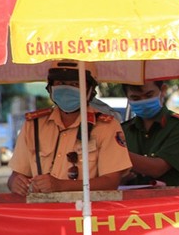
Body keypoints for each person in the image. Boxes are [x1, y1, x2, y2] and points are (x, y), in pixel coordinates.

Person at [7, 60, 132, 195]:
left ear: (90, 91)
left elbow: (111, 182)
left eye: (75, 84)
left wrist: (61, 186)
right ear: (50, 88)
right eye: (60, 84)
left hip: (87, 212)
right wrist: (15, 183)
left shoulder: (106, 126)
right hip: (42, 213)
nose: (67, 89)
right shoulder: (33, 125)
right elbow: (16, 175)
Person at [121, 81, 179, 187]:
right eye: (135, 98)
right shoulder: (123, 130)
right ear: (127, 98)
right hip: (129, 201)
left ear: (163, 90)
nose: (143, 101)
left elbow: (157, 169)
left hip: (170, 201)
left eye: (149, 95)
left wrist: (117, 155)